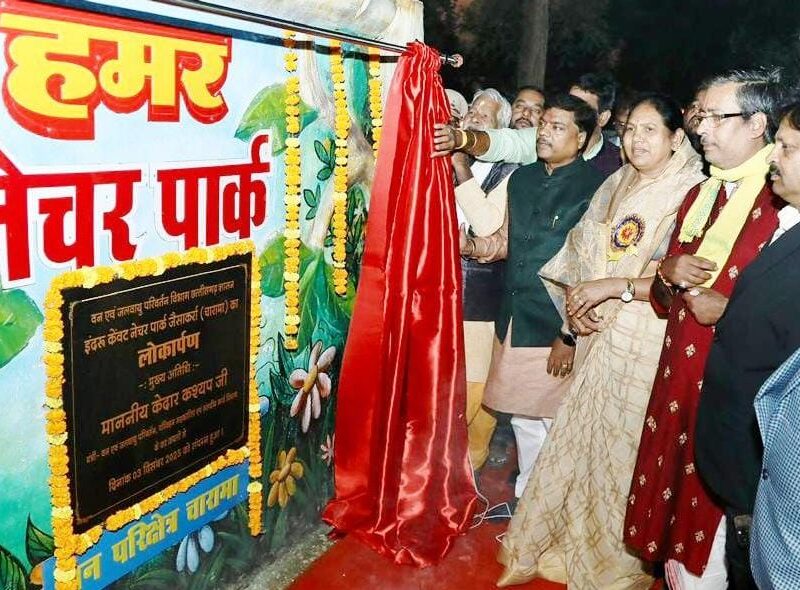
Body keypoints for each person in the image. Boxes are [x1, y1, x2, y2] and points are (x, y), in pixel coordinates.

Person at [497, 93, 705, 589]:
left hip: (644, 339)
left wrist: (612, 289)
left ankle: (610, 562)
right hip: (595, 333)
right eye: (630, 129)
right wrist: (573, 319)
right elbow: (580, 254)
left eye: (650, 130)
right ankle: (567, 542)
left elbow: (681, 277)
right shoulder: (618, 180)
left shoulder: (691, 192)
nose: (636, 140)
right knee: (581, 444)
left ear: (677, 138)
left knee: (621, 454)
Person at [624, 68, 785, 590]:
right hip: (679, 379)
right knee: (675, 528)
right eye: (701, 117)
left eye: (717, 117)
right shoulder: (702, 194)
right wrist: (668, 272)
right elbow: (663, 295)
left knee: (719, 536)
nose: (701, 128)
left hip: (734, 399)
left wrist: (729, 309)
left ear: (757, 124)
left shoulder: (781, 203)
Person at [459, 94, 604, 501]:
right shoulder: (522, 179)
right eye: (544, 125)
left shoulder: (596, 188)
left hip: (554, 325)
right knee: (523, 418)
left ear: (581, 138)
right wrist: (469, 247)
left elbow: (591, 270)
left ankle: (551, 508)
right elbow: (505, 242)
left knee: (553, 422)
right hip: (514, 318)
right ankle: (527, 504)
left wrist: (568, 335)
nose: (544, 133)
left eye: (558, 128)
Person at [696, 101, 800, 590]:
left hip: (774, 480)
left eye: (787, 148)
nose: (772, 157)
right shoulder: (788, 224)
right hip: (747, 474)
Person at [452, 89, 519, 470]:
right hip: (436, 291)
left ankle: (471, 466)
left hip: (478, 298)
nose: (475, 118)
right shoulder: (439, 161)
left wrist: (462, 168)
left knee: (473, 389)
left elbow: (488, 225)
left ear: (500, 132)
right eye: (472, 112)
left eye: (485, 116)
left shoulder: (510, 173)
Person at [433, 72, 622, 178]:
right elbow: (503, 142)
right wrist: (459, 138)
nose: (569, 113)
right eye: (568, 103)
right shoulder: (541, 138)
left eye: (582, 109)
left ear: (603, 118)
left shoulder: (617, 166)